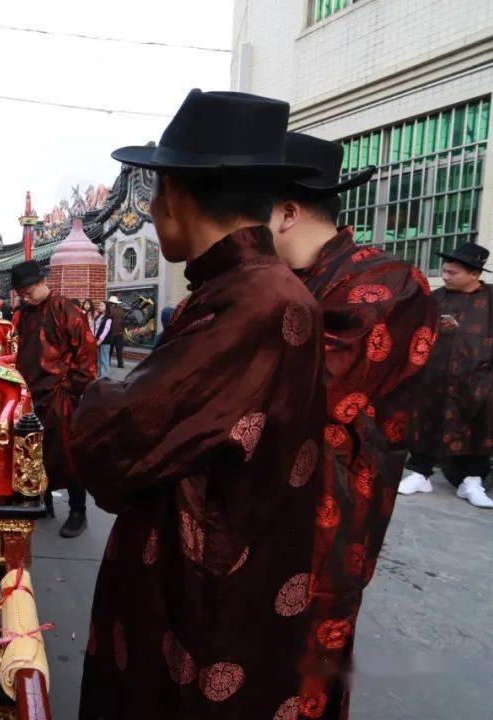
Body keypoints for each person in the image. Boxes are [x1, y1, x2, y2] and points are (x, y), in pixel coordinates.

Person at [71, 90, 325, 719]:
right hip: (213, 576)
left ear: (175, 196)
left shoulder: (254, 303)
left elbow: (111, 439)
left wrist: (96, 394)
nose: (155, 215)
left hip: (204, 597)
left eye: (157, 196)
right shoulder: (244, 290)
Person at [267, 132, 439, 717]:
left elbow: (302, 394)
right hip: (253, 518)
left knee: (304, 673)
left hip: (326, 520)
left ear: (287, 212)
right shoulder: (281, 281)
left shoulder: (388, 284)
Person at [399, 242, 493, 509]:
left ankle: (472, 482)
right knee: (427, 422)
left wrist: (461, 330)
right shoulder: (436, 298)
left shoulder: (491, 299)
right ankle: (420, 473)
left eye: (453, 273)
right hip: (435, 377)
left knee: (480, 429)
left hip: (480, 380)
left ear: (474, 274)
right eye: (445, 271)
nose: (446, 276)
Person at [11, 260, 98, 537]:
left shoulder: (65, 310)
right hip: (31, 394)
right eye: (20, 292)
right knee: (35, 452)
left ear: (41, 282)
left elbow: (87, 354)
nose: (24, 296)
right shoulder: (24, 314)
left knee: (68, 454)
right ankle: (43, 501)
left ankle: (78, 511)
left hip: (61, 394)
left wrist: (72, 388)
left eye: (27, 290)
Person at [92, 300, 113, 374]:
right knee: (98, 360)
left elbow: (106, 330)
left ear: (106, 307)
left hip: (104, 342)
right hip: (97, 340)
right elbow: (95, 328)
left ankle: (105, 378)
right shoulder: (99, 316)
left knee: (104, 359)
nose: (99, 307)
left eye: (102, 305)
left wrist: (100, 340)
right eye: (99, 305)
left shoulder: (108, 318)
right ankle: (100, 376)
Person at [105, 295, 126, 369]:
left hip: (111, 333)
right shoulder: (121, 310)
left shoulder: (109, 310)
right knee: (119, 350)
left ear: (111, 303)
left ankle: (108, 363)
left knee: (109, 350)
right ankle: (120, 364)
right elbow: (124, 322)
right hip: (120, 333)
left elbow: (107, 322)